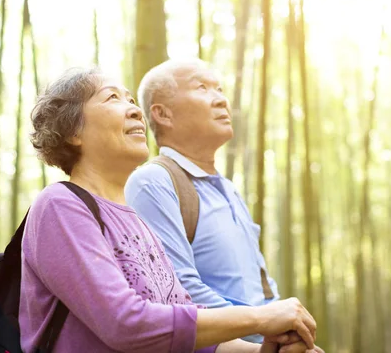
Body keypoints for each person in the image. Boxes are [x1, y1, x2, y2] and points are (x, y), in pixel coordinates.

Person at [19, 67, 318, 353]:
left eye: (132, 100)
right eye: (112, 98)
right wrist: (261, 319)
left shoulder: (138, 223)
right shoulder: (59, 205)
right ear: (73, 131)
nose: (135, 110)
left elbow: (183, 330)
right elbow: (125, 323)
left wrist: (264, 349)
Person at [125, 59, 307, 346]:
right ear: (163, 114)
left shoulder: (229, 190)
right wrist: (262, 339)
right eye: (202, 87)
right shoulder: (153, 182)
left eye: (220, 89)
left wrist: (292, 337)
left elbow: (262, 288)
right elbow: (179, 292)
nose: (221, 99)